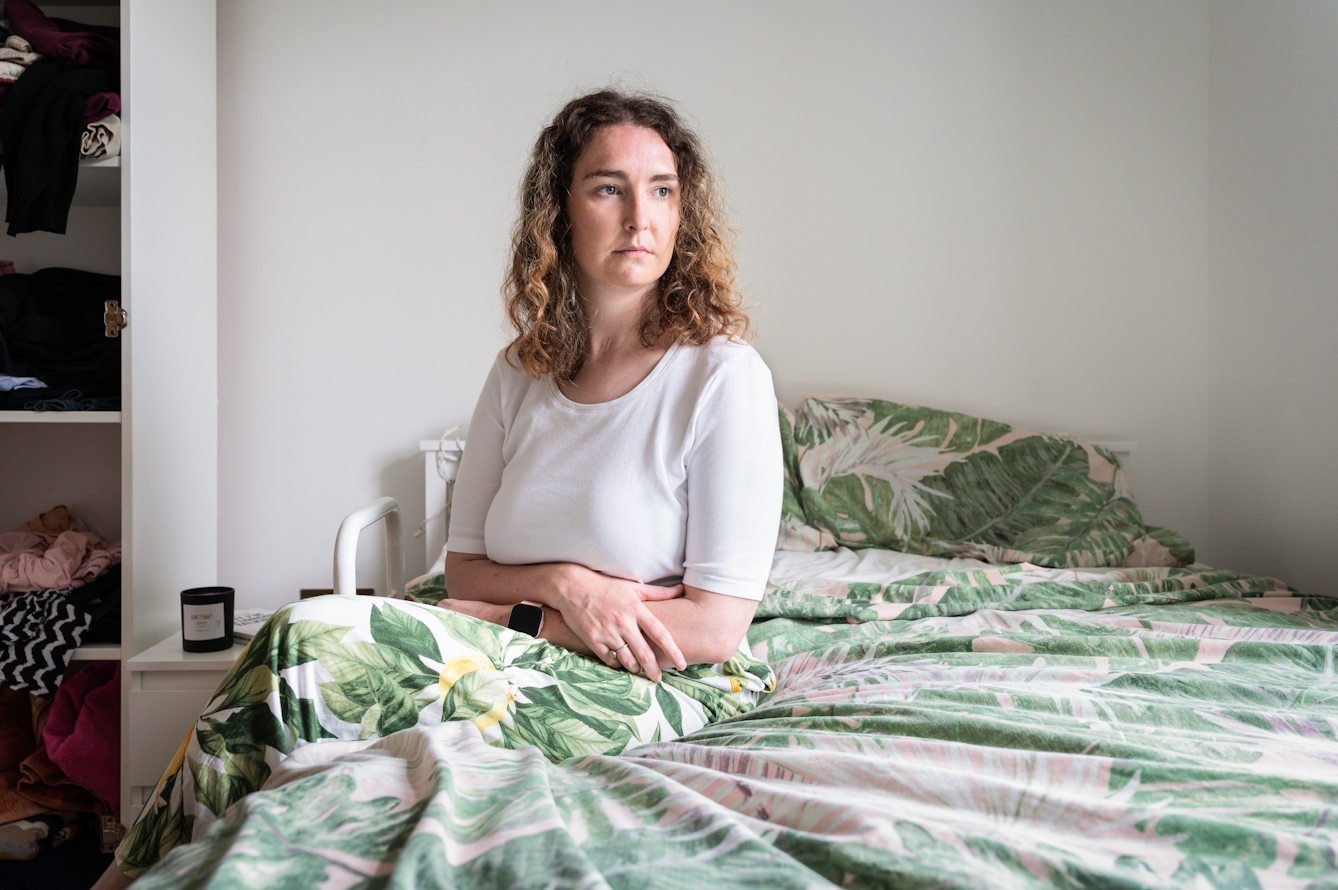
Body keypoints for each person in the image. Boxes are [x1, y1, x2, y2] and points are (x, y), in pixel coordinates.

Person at [93, 89, 781, 889]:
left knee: (308, 642)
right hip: (526, 646)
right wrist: (566, 587)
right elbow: (462, 573)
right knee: (296, 643)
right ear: (559, 210)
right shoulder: (521, 373)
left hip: (655, 685)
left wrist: (511, 616)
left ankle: (121, 878)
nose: (641, 216)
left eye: (662, 189)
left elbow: (714, 628)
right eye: (608, 187)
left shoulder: (722, 375)